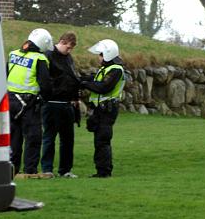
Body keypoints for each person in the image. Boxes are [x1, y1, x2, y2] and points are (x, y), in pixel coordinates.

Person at [7, 28, 53, 178]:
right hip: (29, 104)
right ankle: (30, 170)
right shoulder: (39, 59)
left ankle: (12, 170)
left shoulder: (13, 54)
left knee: (14, 138)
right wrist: (45, 98)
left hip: (10, 101)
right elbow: (45, 85)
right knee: (33, 137)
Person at [80, 39, 125, 178]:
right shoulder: (106, 69)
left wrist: (85, 84)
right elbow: (96, 80)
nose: (98, 57)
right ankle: (101, 170)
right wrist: (83, 80)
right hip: (101, 109)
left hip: (107, 110)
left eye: (100, 54)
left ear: (107, 54)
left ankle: (104, 171)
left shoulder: (116, 70)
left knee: (103, 140)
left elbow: (104, 87)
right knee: (99, 140)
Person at [40, 32, 81, 178]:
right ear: (62, 42)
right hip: (51, 103)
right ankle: (47, 169)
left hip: (67, 104)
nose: (69, 51)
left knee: (68, 139)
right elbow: (44, 79)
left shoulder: (68, 58)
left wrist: (75, 98)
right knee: (49, 137)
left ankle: (65, 170)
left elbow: (72, 78)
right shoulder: (48, 55)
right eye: (68, 48)